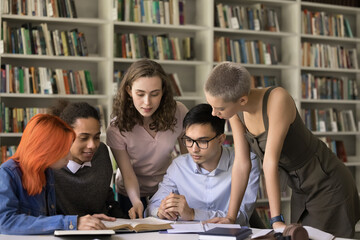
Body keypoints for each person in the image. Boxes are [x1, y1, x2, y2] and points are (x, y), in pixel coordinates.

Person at [204, 62, 360, 238]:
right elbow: (241, 163)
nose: (213, 113)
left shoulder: (277, 99)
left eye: (220, 108)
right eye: (212, 106)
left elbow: (270, 161)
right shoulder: (234, 111)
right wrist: (230, 217)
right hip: (301, 189)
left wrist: (275, 219)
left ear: (242, 100)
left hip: (327, 183)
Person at [145, 104, 260, 226]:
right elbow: (152, 207)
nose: (194, 149)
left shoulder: (247, 162)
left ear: (221, 139)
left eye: (202, 141)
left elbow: (241, 216)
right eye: (189, 140)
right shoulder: (178, 166)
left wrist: (194, 214)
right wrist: (160, 212)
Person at [0, 114, 114, 235]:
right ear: (46, 149)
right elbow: (4, 222)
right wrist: (72, 223)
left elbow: (46, 220)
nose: (69, 157)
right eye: (64, 150)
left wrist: (85, 221)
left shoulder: (46, 172)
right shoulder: (7, 174)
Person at [107, 59, 188, 219]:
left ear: (163, 91)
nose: (147, 102)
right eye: (140, 94)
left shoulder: (178, 112)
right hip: (130, 192)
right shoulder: (117, 127)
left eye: (154, 94)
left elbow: (188, 160)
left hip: (166, 187)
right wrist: (137, 201)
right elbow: (128, 174)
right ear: (129, 90)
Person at [51, 101, 126, 218]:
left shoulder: (101, 152)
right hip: (66, 230)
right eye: (84, 138)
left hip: (102, 228)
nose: (92, 145)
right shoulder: (51, 164)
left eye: (96, 137)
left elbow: (106, 194)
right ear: (64, 135)